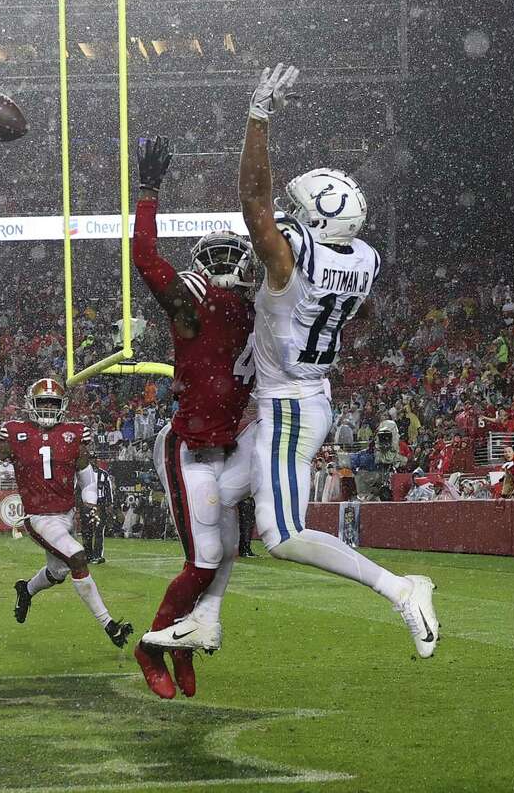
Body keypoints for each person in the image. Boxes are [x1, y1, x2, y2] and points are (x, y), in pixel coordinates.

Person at [146, 64, 440, 661]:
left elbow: (254, 200)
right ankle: (206, 616)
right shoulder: (362, 259)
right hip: (304, 395)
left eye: (297, 212)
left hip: (286, 410)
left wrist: (259, 116)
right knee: (223, 498)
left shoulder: (290, 265)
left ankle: (401, 588)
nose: (287, 216)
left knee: (281, 536)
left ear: (312, 223)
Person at [127, 134, 258, 699]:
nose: (227, 267)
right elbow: (146, 259)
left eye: (237, 258)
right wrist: (149, 193)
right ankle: (153, 644)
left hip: (230, 445)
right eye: (219, 257)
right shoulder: (194, 302)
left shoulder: (261, 310)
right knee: (204, 557)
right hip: (188, 447)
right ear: (204, 265)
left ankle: (183, 636)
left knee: (224, 554)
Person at [0, 378, 133, 650]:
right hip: (40, 518)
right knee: (78, 557)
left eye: (52, 403)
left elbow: (86, 475)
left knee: (58, 571)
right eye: (42, 402)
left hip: (66, 514)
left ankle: (26, 589)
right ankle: (110, 625)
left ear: (62, 406)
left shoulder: (74, 433)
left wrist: (90, 504)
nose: (47, 408)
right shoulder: (15, 434)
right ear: (30, 404)